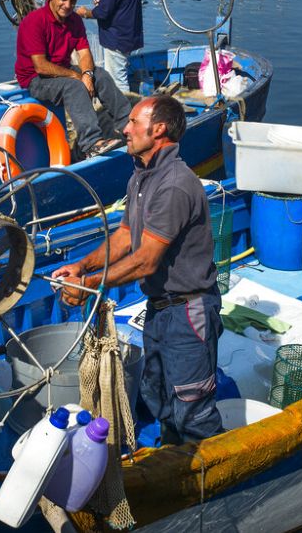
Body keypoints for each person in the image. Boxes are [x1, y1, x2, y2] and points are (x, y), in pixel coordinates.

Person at [52, 95, 224, 444]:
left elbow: (146, 260)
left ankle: (213, 471)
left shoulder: (174, 184)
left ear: (158, 129)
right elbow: (124, 237)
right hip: (160, 308)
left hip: (187, 312)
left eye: (133, 122)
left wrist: (89, 284)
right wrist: (81, 265)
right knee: (159, 397)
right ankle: (174, 461)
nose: (124, 129)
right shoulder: (142, 178)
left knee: (193, 411)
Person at [15, 0, 131, 159]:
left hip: (61, 71)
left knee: (100, 75)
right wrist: (78, 77)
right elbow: (41, 66)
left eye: (73, 1)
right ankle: (91, 143)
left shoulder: (74, 20)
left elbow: (84, 53)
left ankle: (128, 124)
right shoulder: (34, 21)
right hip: (35, 79)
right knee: (74, 86)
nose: (67, 5)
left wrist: (87, 74)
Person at [75, 0, 143, 93]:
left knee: (117, 81)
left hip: (117, 39)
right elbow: (121, 3)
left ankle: (124, 104)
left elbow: (103, 12)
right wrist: (103, 4)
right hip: (129, 36)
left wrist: (85, 13)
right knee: (119, 74)